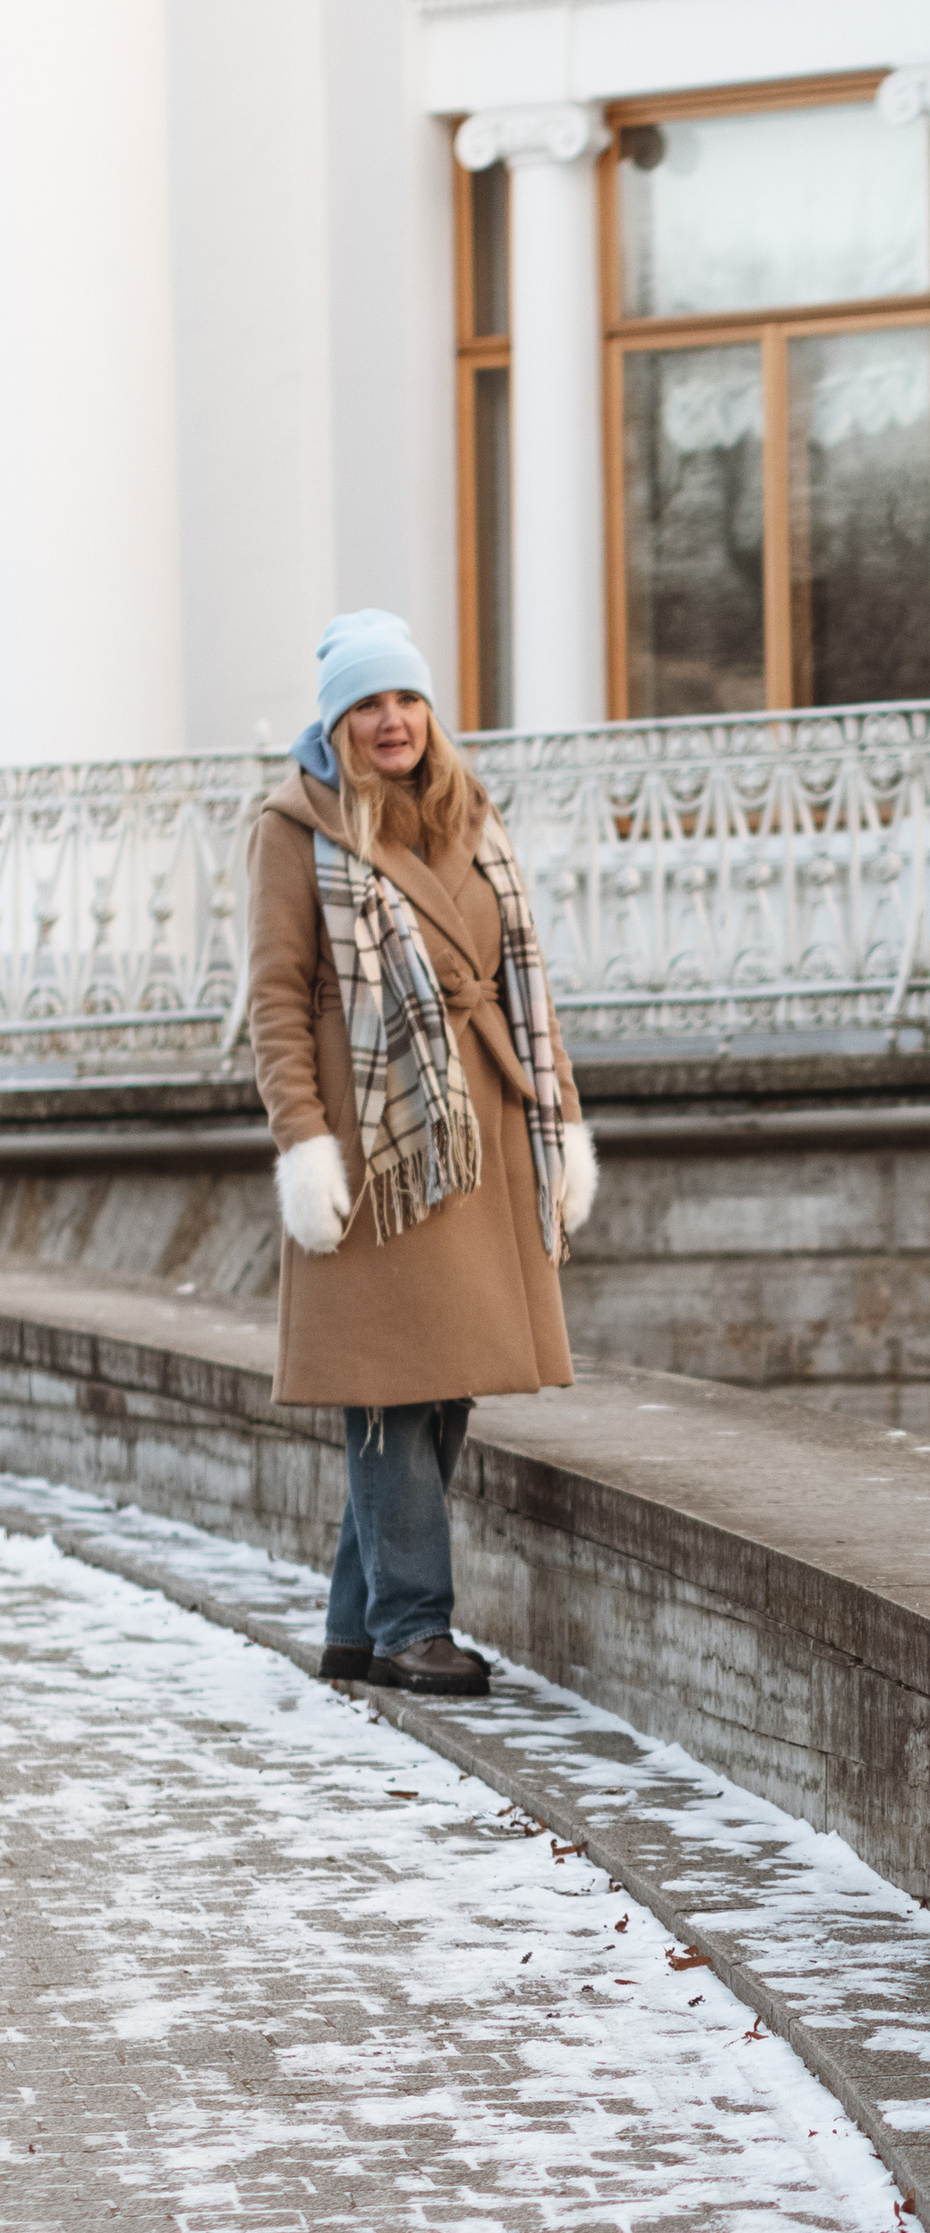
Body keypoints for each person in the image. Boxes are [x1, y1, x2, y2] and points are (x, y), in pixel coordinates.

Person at [244, 609, 598, 1700]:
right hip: (380, 1143)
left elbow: (528, 987)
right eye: (366, 704)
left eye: (405, 699)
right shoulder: (292, 825)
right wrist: (303, 1143)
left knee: (444, 1387)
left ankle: (356, 1628)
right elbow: (276, 1003)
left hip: (481, 1122)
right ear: (337, 721)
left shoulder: (471, 815)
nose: (390, 720)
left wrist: (563, 1116)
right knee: (392, 1387)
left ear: (428, 711)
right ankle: (411, 1628)